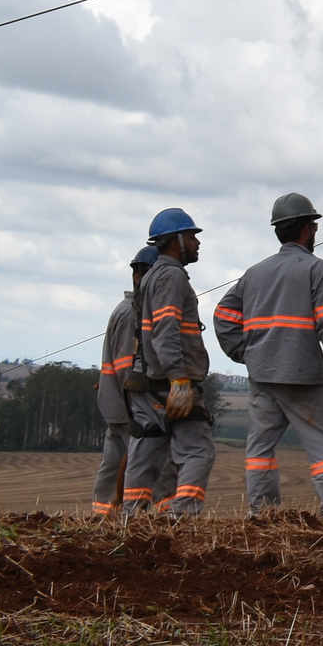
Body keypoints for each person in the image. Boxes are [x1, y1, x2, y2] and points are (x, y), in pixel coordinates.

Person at [213, 192, 323, 521]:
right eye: (314, 226)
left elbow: (222, 316)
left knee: (259, 450)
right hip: (303, 378)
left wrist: (246, 353)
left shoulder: (255, 273)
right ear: (307, 229)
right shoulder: (317, 269)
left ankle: (263, 514)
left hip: (263, 376)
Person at [136, 209, 217, 517]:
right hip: (175, 381)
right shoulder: (170, 276)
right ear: (176, 240)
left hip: (158, 381)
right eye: (192, 236)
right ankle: (182, 515)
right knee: (199, 451)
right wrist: (179, 379)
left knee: (160, 454)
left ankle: (151, 514)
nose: (197, 243)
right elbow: (166, 331)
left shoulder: (155, 275)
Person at [92, 246, 157, 516]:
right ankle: (128, 515)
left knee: (113, 464)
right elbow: (125, 368)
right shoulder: (132, 313)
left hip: (116, 404)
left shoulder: (129, 309)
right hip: (127, 406)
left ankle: (103, 516)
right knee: (136, 464)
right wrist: (139, 408)